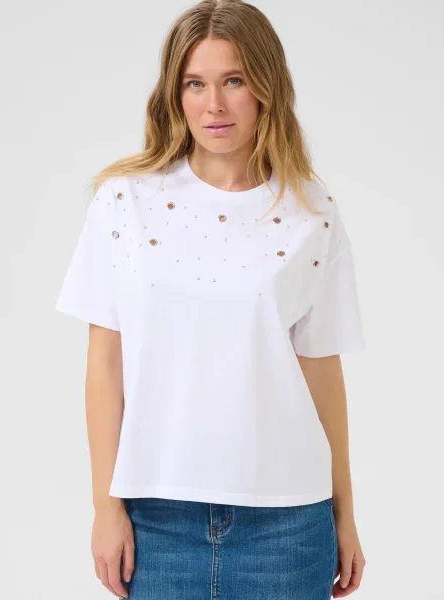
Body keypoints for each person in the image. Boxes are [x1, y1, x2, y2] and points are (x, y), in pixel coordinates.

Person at [55, 0, 367, 598]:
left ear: (267, 89)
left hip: (288, 526)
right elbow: (105, 362)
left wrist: (345, 513)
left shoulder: (312, 213)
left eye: (234, 81)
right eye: (194, 84)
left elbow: (321, 370)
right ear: (174, 94)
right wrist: (105, 506)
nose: (214, 105)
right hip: (156, 519)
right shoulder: (123, 202)